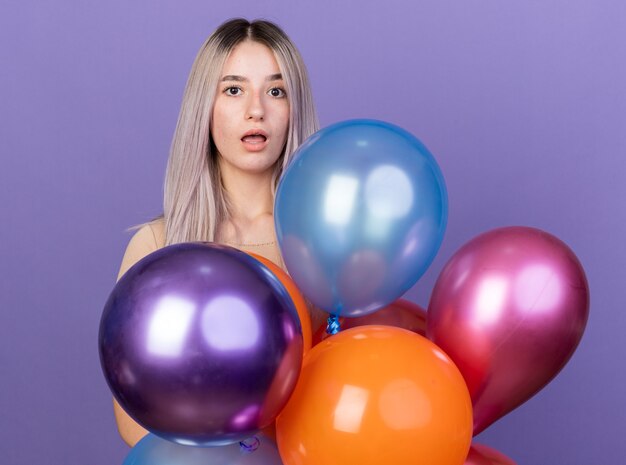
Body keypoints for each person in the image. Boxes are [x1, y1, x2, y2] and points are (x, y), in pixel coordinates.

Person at [113, 18, 325, 447]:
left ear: (293, 107)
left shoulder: (328, 246)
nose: (256, 109)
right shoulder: (156, 248)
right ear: (204, 108)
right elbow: (135, 423)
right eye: (233, 89)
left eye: (276, 90)